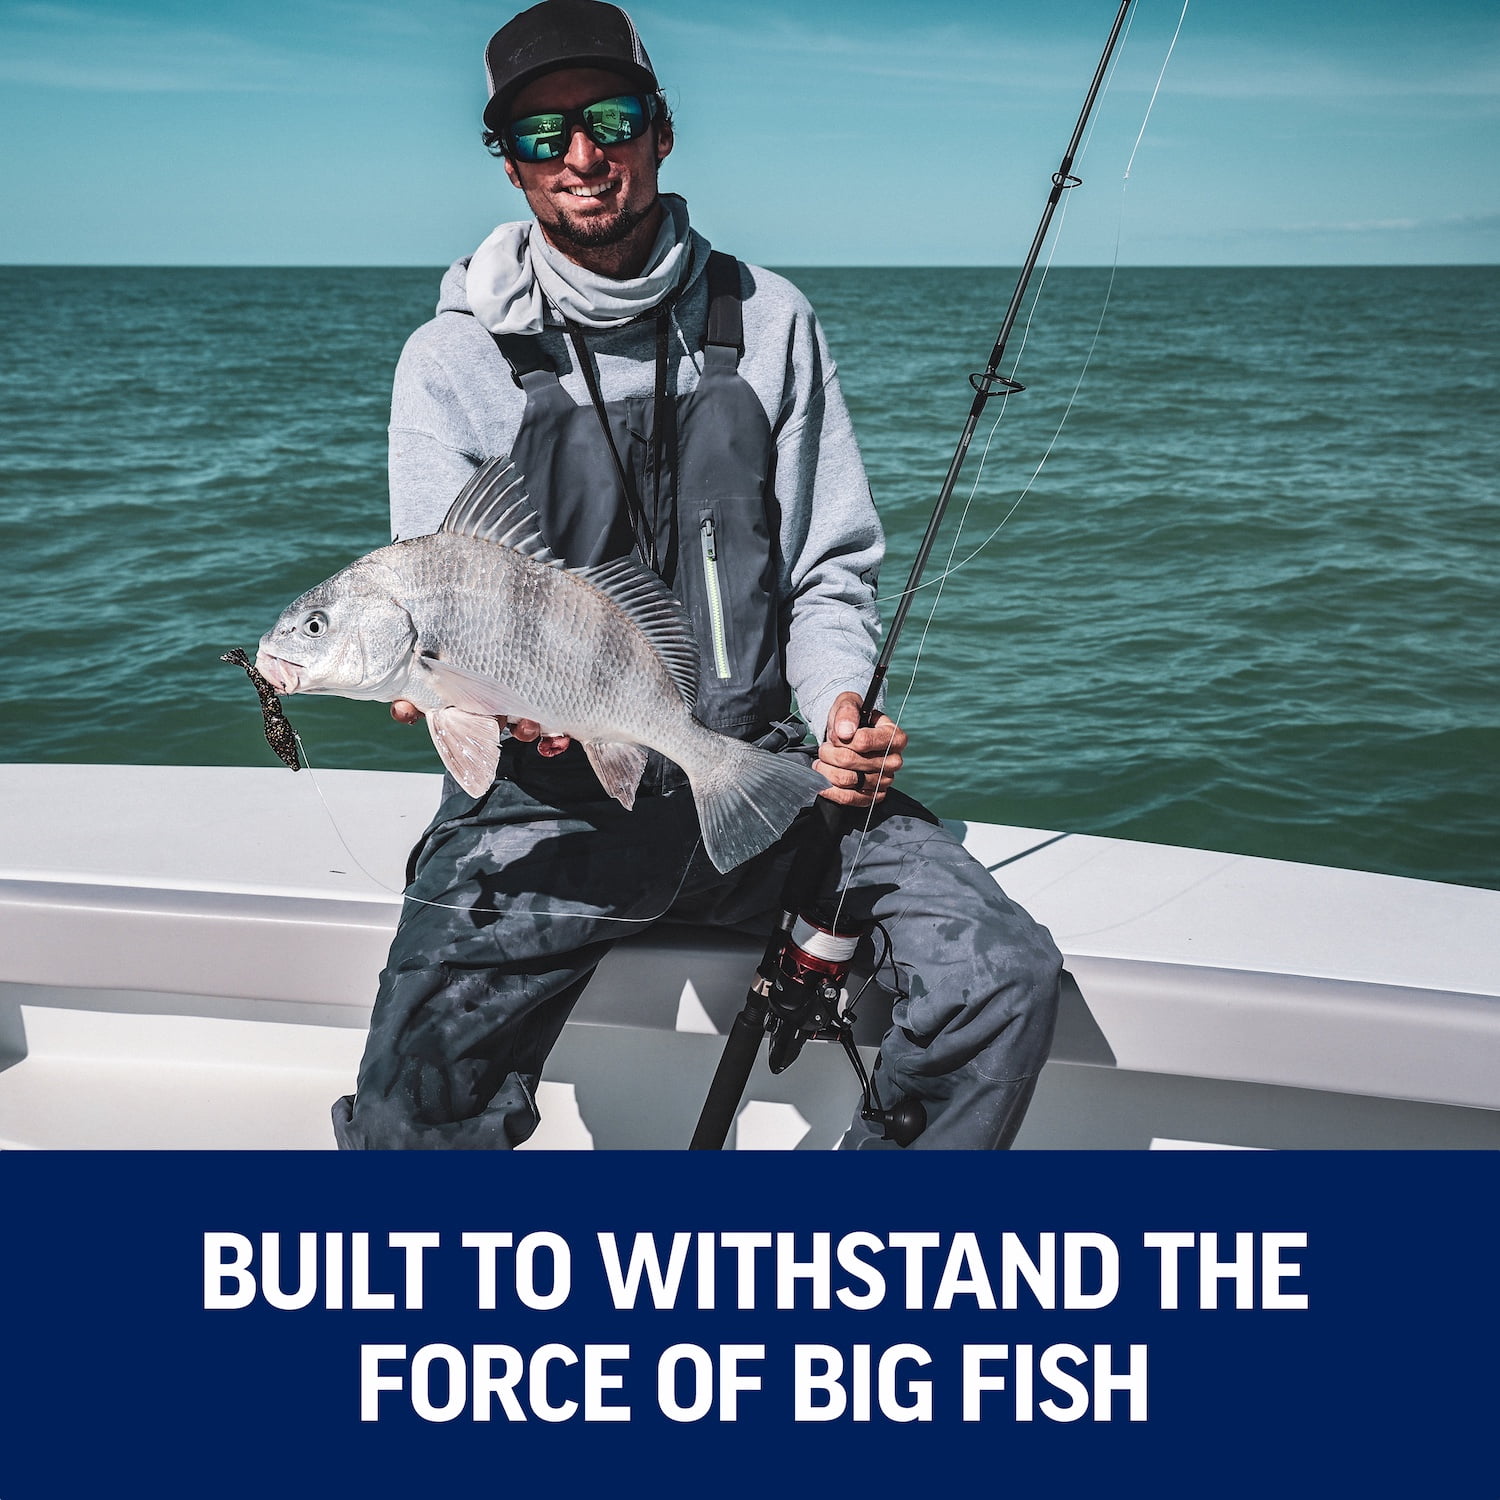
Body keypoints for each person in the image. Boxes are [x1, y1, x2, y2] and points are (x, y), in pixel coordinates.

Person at [332, 0, 1061, 1151]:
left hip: (752, 767)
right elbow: (444, 601)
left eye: (610, 119)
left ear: (661, 131)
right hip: (541, 804)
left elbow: (827, 572)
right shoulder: (451, 358)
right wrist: (480, 706)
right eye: (540, 134)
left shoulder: (772, 320)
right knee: (409, 1104)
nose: (581, 156)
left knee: (1000, 978)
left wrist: (839, 706)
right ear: (509, 163)